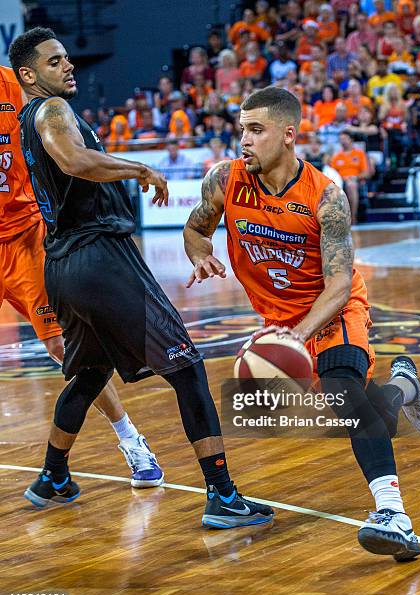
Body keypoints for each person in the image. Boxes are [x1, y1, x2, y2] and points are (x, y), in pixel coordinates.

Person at [10, 27, 273, 528]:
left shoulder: (28, 118)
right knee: (188, 368)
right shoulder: (50, 111)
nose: (69, 66)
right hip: (100, 257)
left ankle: (53, 476)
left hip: (61, 264)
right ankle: (221, 494)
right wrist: (138, 169)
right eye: (55, 61)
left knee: (88, 374)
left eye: (68, 58)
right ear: (29, 75)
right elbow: (73, 160)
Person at [184, 86, 420, 561]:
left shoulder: (327, 198)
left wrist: (297, 338)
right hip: (279, 320)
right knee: (358, 414)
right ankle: (404, 387)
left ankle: (394, 515)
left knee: (345, 395)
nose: (244, 140)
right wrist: (199, 251)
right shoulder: (224, 180)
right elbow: (196, 227)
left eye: (255, 130)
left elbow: (340, 285)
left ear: (287, 134)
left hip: (333, 311)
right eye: (241, 128)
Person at [0, 65, 162, 489]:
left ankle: (131, 440)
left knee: (64, 347)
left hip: (24, 237)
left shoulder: (15, 87)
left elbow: (57, 144)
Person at [330, 131, 370, 223]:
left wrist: (355, 177)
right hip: (339, 181)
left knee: (351, 185)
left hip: (356, 180)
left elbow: (366, 173)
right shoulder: (336, 156)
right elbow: (331, 173)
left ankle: (353, 217)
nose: (342, 141)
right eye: (341, 139)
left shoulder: (359, 154)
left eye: (345, 139)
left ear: (351, 140)